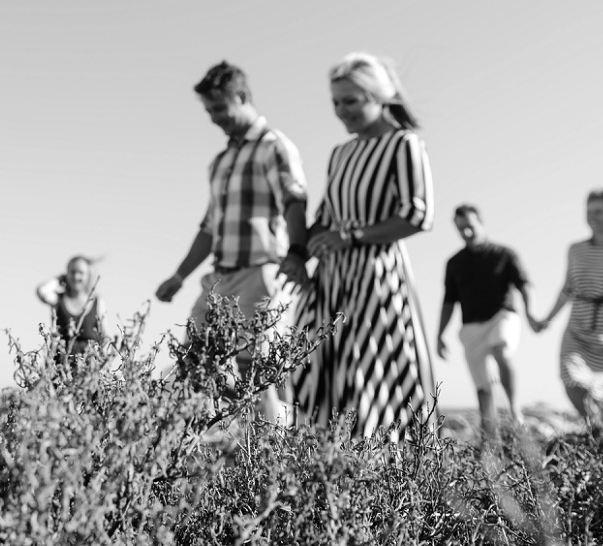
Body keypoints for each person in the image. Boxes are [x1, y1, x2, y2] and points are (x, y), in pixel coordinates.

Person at [155, 61, 309, 422]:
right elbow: (210, 227)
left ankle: (274, 454)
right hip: (220, 280)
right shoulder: (220, 162)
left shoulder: (274, 146)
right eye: (209, 111)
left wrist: (298, 253)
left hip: (261, 273)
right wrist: (179, 276)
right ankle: (197, 450)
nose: (214, 118)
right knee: (195, 360)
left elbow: (295, 201)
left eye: (219, 109)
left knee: (259, 370)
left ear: (241, 97)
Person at [294, 53, 437, 440]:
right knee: (312, 368)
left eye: (351, 101)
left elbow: (417, 215)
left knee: (369, 374)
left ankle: (379, 479)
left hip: (376, 278)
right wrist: (296, 254)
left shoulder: (404, 145)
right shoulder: (340, 153)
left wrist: (351, 236)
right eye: (336, 102)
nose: (341, 111)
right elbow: (324, 216)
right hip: (329, 280)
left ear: (379, 96)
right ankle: (320, 471)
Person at [529, 189, 603, 434]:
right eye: (589, 211)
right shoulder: (575, 249)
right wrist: (547, 320)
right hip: (579, 327)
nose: (592, 217)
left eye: (598, 211)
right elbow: (568, 289)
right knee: (570, 379)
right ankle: (597, 431)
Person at [436, 204, 533, 442]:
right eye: (460, 229)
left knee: (502, 350)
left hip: (503, 315)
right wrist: (438, 335)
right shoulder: (454, 263)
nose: (466, 233)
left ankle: (514, 409)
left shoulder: (505, 254)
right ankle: (490, 435)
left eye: (469, 226)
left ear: (480, 222)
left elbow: (525, 285)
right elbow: (448, 303)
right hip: (471, 326)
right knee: (482, 385)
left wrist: (531, 314)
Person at [36, 255, 105, 360]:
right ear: (67, 274)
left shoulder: (97, 301)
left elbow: (105, 336)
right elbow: (41, 291)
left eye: (81, 273)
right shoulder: (58, 299)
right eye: (72, 272)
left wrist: (102, 359)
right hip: (60, 365)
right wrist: (59, 279)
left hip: (88, 366)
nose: (76, 277)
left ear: (88, 276)